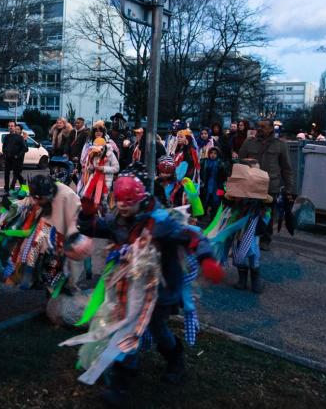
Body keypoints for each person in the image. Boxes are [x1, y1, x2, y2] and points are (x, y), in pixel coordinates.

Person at [65, 164, 223, 405]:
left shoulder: (162, 221)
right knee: (125, 329)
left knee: (158, 330)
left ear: (141, 198)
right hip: (129, 288)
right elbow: (92, 227)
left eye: (128, 200)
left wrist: (207, 259)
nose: (122, 205)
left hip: (160, 291)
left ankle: (175, 360)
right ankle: (122, 384)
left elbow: (193, 236)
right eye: (118, 200)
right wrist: (86, 214)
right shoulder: (118, 219)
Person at [203, 163, 272, 293]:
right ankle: (242, 279)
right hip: (237, 228)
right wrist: (230, 197)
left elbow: (267, 209)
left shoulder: (260, 202)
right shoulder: (235, 198)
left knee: (252, 252)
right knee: (237, 251)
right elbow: (226, 203)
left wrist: (261, 200)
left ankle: (256, 280)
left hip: (252, 227)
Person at [238, 119, 296, 251]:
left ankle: (265, 239)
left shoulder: (280, 145)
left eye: (263, 127)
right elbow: (239, 161)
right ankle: (247, 236)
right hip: (251, 183)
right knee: (247, 210)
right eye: (258, 126)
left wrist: (289, 189)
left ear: (271, 129)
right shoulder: (249, 142)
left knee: (267, 213)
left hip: (271, 185)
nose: (259, 129)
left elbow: (286, 169)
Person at [77, 137, 119, 216]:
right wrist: (90, 168)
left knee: (103, 202)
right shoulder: (94, 153)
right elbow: (92, 167)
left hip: (106, 182)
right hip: (94, 180)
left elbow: (116, 168)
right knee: (88, 198)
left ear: (103, 148)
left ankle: (106, 219)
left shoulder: (110, 155)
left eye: (99, 150)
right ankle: (92, 217)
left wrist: (103, 168)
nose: (98, 153)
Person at [200, 147, 227, 218]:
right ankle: (202, 216)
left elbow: (224, 176)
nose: (213, 155)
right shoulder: (205, 162)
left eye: (215, 153)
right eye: (211, 153)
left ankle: (213, 217)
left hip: (218, 187)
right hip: (207, 185)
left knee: (217, 202)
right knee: (204, 200)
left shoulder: (221, 163)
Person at [2, 123, 27, 194]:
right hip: (8, 158)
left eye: (12, 126)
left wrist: (18, 156)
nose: (10, 127)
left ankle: (24, 185)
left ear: (14, 127)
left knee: (17, 174)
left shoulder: (19, 137)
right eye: (9, 126)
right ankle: (7, 190)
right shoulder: (6, 137)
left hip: (17, 159)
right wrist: (4, 154)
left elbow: (24, 148)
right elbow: (4, 147)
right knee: (6, 173)